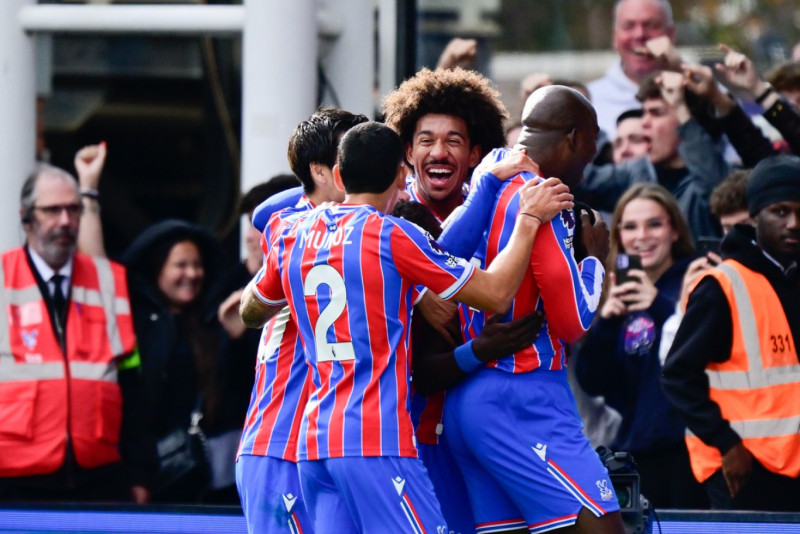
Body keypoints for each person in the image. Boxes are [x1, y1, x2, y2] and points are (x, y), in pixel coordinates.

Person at [240, 121, 572, 533]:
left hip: (312, 447)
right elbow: (496, 293)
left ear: (339, 176)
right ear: (403, 175)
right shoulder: (392, 234)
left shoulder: (291, 234)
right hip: (375, 441)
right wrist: (528, 218)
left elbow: (251, 311)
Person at [439, 85, 625, 534]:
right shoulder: (545, 199)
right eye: (592, 143)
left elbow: (440, 258)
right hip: (523, 396)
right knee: (605, 528)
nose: (592, 157)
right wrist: (595, 260)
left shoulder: (492, 170)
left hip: (468, 399)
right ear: (574, 138)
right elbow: (572, 322)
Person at [235, 108, 368, 534]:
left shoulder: (331, 221)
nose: (365, 166)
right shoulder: (298, 228)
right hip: (281, 439)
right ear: (319, 171)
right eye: (351, 155)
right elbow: (264, 212)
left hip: (323, 445)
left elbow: (264, 210)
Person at [0, 164, 149, 503]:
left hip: (99, 477)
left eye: (73, 209)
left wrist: (140, 473)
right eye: (53, 210)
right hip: (13, 480)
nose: (65, 221)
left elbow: (133, 386)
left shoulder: (109, 280)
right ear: (26, 217)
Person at [662, 154, 800, 511]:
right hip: (743, 469)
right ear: (754, 217)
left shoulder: (791, 278)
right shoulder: (722, 286)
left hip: (790, 467)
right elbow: (678, 376)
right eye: (780, 211)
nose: (794, 223)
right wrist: (726, 443)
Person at [573, 183, 708, 509]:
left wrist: (660, 306)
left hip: (691, 449)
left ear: (675, 230)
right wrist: (605, 323)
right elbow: (594, 383)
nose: (641, 236)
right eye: (630, 227)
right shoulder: (618, 291)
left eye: (654, 224)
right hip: (638, 450)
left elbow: (701, 355)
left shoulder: (699, 280)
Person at [122, 219, 235, 503]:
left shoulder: (214, 322)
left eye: (197, 265)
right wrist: (137, 474)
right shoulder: (136, 324)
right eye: (181, 265)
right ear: (157, 269)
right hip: (150, 473)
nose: (192, 274)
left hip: (210, 474)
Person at [580, 70, 729, 241]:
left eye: (656, 113)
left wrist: (681, 106)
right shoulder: (638, 170)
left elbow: (715, 192)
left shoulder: (714, 176)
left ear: (687, 119)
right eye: (644, 113)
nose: (644, 122)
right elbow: (579, 181)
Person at [381, 67, 508, 222]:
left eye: (453, 141)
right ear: (409, 153)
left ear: (474, 155)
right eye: (426, 141)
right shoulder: (385, 210)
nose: (439, 153)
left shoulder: (492, 213)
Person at [588, 0, 676, 138]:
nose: (639, 35)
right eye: (629, 26)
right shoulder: (589, 101)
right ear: (615, 37)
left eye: (651, 25)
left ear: (671, 34)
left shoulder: (703, 93)